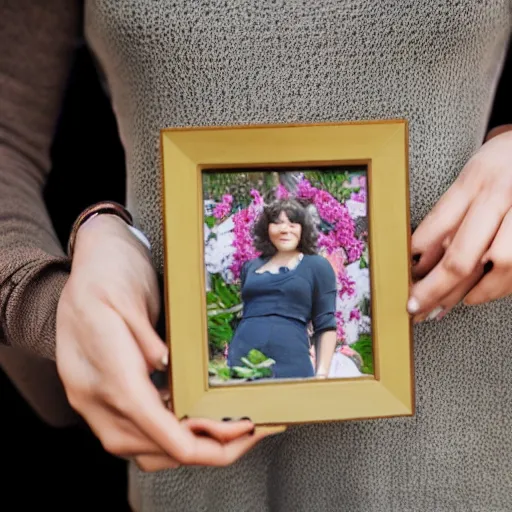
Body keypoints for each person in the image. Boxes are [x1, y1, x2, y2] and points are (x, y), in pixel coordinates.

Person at [1, 1, 512, 511]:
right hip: (197, 471)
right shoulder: (249, 265)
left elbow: (328, 320)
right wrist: (49, 301)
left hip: (462, 457)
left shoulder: (319, 270)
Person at [227, 199, 338, 379]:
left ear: (303, 229)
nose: (285, 229)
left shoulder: (317, 265)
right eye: (277, 223)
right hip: (242, 360)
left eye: (293, 223)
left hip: (292, 362)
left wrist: (322, 374)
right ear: (267, 228)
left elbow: (326, 325)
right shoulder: (250, 267)